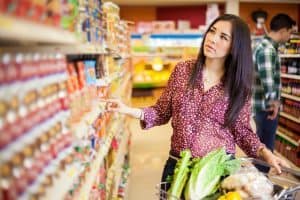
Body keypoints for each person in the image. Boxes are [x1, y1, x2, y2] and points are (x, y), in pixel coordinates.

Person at [103, 14, 289, 192]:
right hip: (177, 167)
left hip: (216, 172)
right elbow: (161, 112)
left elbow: (241, 131)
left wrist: (266, 153)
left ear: (235, 46)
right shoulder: (183, 71)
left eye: (223, 37)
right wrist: (128, 110)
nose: (213, 39)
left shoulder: (239, 86)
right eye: (212, 31)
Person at [252, 14, 295, 154]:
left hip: (263, 108)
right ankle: (262, 175)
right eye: (290, 32)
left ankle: (260, 174)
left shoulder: (265, 46)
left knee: (261, 149)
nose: (290, 36)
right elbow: (268, 82)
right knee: (265, 151)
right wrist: (274, 104)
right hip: (266, 110)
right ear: (283, 31)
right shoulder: (267, 49)